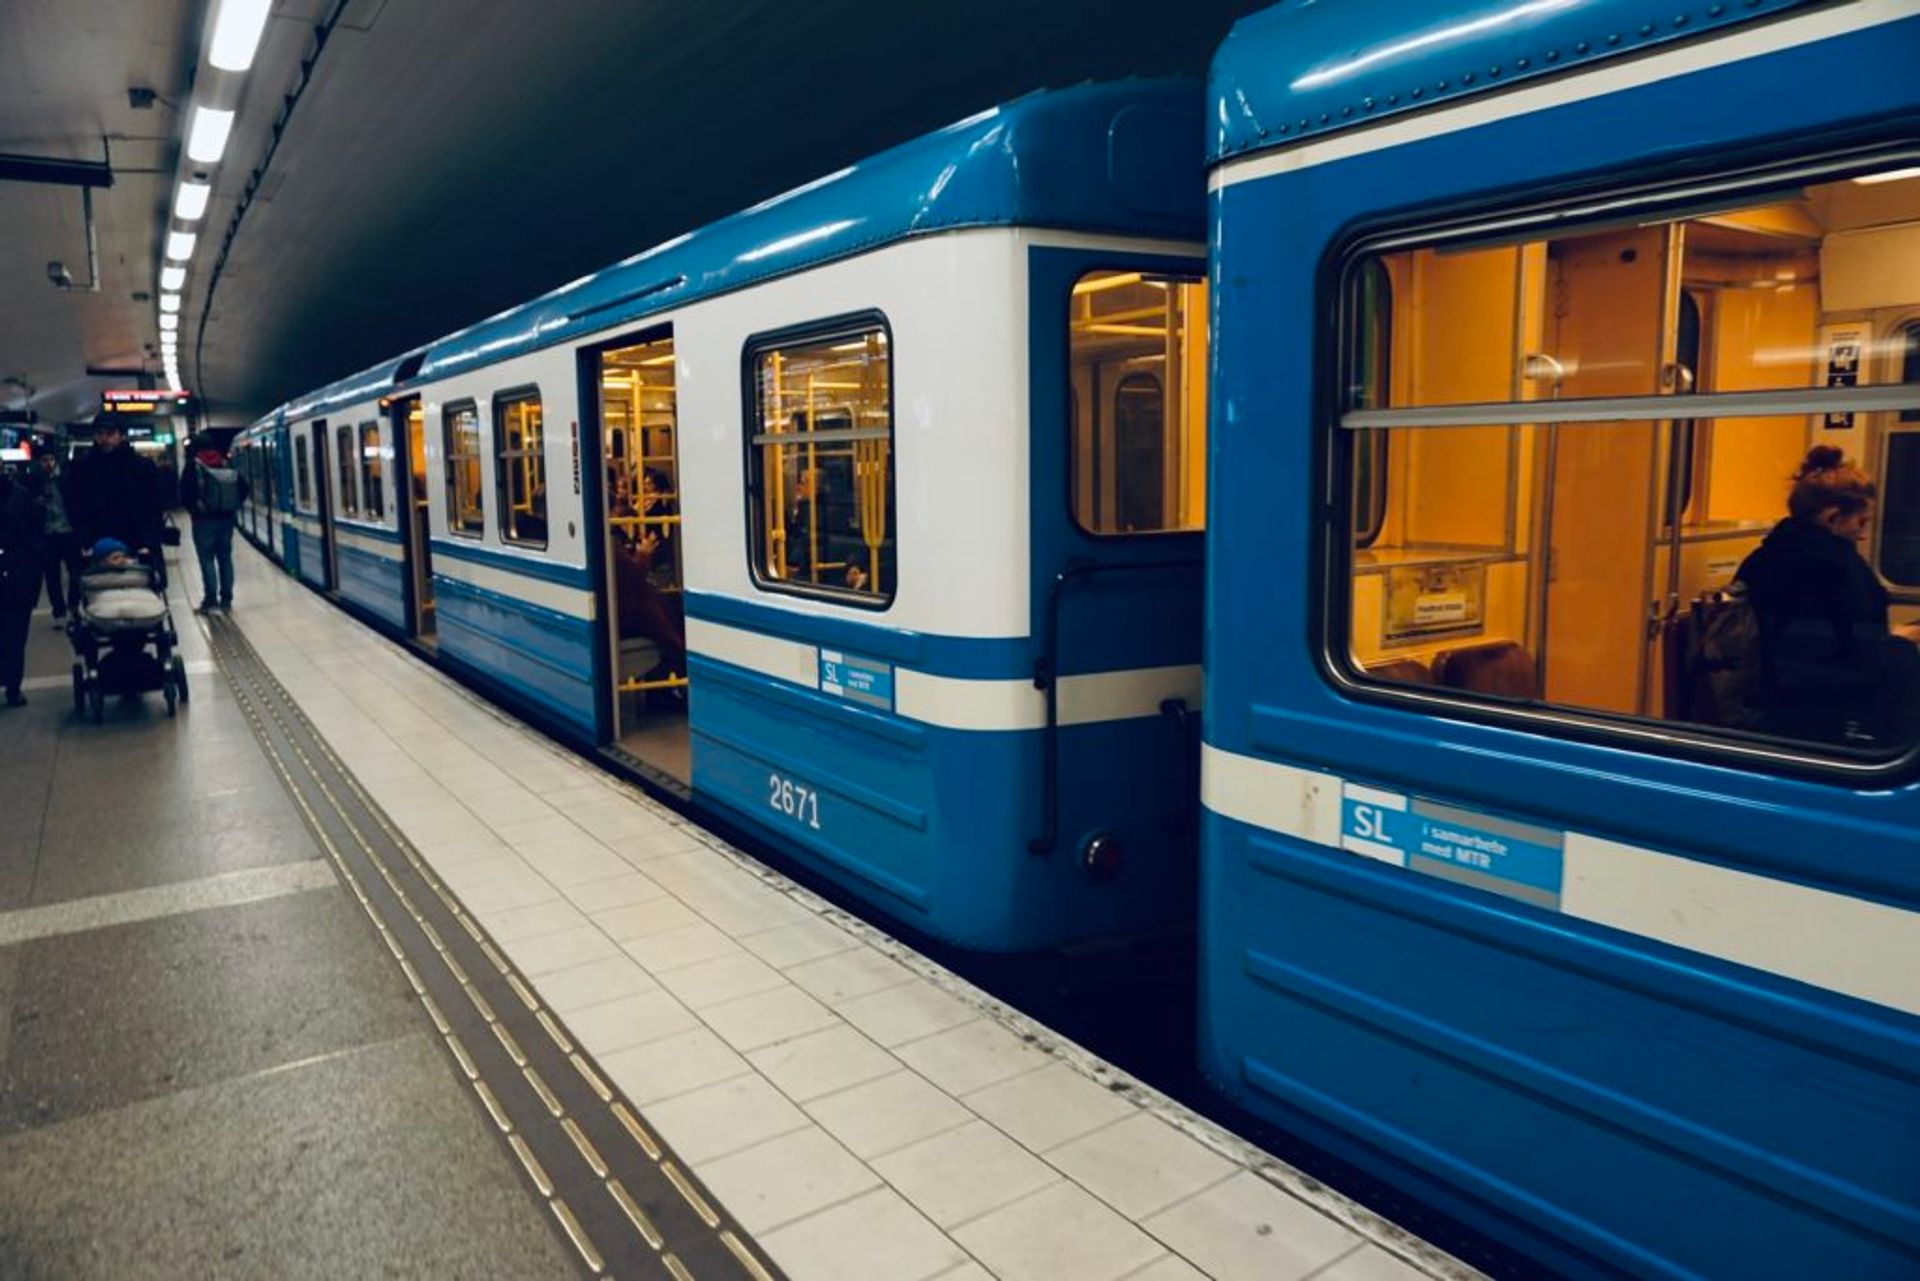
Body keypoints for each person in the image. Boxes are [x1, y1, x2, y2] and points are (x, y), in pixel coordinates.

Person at [1734, 445, 1920, 746]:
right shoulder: (1837, 570)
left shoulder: (1763, 558)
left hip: (1775, 701)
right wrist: (1901, 642)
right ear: (1833, 518)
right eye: (1862, 522)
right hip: (1829, 712)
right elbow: (1853, 662)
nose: (1863, 534)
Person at [65, 420, 166, 584]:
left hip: (135, 540)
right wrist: (84, 540)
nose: (104, 439)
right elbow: (75, 506)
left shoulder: (142, 467)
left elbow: (154, 507)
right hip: (97, 543)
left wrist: (149, 541)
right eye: (100, 434)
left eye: (110, 434)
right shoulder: (81, 468)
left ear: (122, 436)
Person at [179, 435, 250, 612]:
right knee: (225, 559)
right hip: (226, 520)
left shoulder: (193, 465)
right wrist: (233, 506)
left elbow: (184, 492)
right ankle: (227, 600)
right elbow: (244, 488)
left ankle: (210, 601)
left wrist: (195, 510)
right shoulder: (225, 463)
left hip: (203, 521)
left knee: (207, 560)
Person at [0, 467, 46, 708]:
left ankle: (13, 684)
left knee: (15, 634)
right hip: (18, 573)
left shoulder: (21, 496)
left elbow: (37, 534)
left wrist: (32, 565)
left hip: (18, 576)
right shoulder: (21, 495)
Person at [22, 450, 75, 625]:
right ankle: (59, 611)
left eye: (51, 459)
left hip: (68, 531)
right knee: (52, 576)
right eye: (44, 460)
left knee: (75, 573)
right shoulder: (33, 483)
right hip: (47, 534)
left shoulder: (66, 480)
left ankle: (73, 607)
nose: (48, 464)